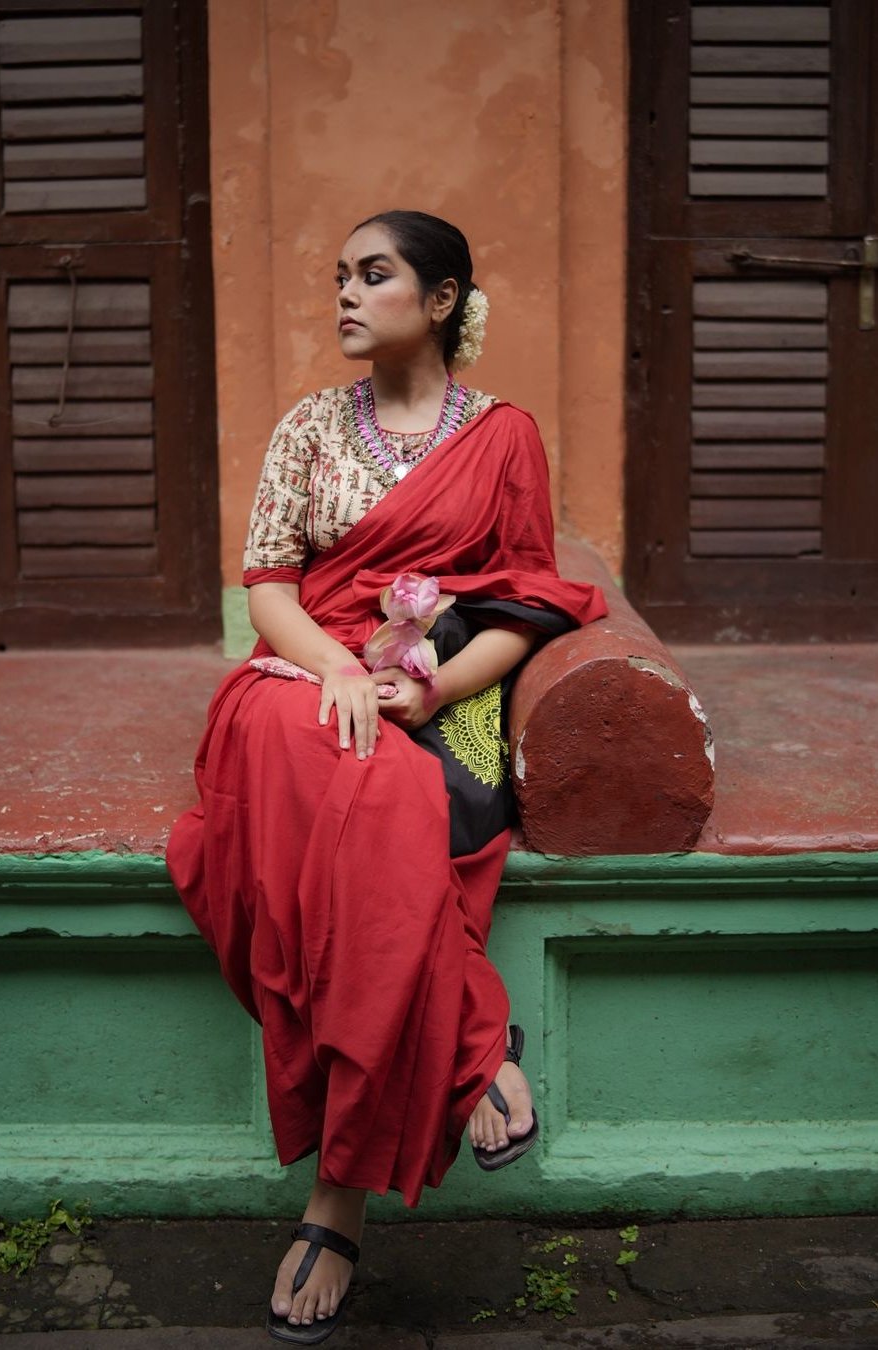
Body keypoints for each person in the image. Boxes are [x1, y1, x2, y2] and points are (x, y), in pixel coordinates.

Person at [167, 210, 607, 1344]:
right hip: (295, 677)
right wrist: (335, 670)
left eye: (375, 275)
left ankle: (337, 1199)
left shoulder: (504, 435)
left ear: (444, 297)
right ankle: (474, 1044)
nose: (346, 296)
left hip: (435, 687)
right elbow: (268, 583)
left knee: (396, 803)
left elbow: (532, 593)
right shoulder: (309, 425)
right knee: (320, 797)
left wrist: (441, 687)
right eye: (340, 276)